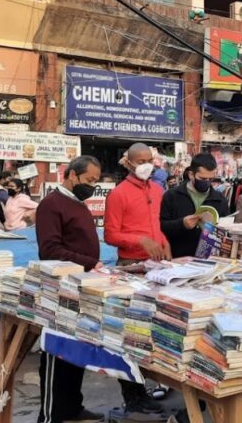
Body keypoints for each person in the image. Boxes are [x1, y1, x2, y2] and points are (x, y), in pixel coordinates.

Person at [34, 155, 104, 423]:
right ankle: (51, 415)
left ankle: (73, 408)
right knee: (56, 353)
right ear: (72, 175)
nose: (92, 186)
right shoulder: (52, 205)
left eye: (96, 182)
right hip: (59, 291)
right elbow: (49, 249)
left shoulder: (79, 204)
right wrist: (91, 263)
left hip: (81, 288)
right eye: (89, 180)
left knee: (76, 353)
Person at [102, 144, 168, 414]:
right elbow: (110, 235)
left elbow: (158, 226)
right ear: (128, 163)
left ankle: (149, 386)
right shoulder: (118, 194)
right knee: (128, 335)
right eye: (139, 161)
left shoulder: (158, 190)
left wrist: (164, 243)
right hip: (129, 266)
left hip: (157, 267)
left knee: (154, 331)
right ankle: (134, 396)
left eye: (148, 160)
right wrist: (139, 240)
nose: (145, 165)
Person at [161, 154, 231, 258]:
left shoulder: (220, 200)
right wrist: (182, 224)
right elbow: (160, 227)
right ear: (191, 174)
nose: (207, 182)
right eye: (202, 178)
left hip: (209, 261)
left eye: (210, 179)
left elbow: (227, 232)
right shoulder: (171, 196)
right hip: (178, 260)